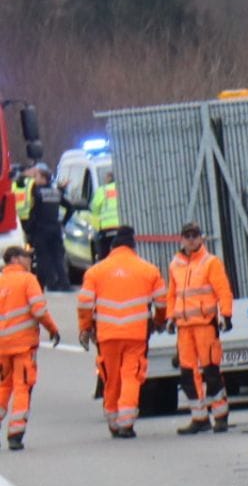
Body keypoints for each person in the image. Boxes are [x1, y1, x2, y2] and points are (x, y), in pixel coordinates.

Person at [76, 225, 166, 439]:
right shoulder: (148, 269)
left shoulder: (96, 271)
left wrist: (85, 328)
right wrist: (158, 322)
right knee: (131, 376)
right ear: (133, 247)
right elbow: (161, 302)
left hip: (107, 336)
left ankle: (113, 420)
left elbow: (85, 303)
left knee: (111, 377)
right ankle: (127, 422)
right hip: (135, 335)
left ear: (112, 247)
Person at [167, 222, 235, 434]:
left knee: (211, 372)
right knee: (188, 374)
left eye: (194, 235)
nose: (190, 239)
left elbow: (223, 290)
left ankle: (220, 416)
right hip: (184, 327)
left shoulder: (210, 262)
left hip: (205, 324)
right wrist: (170, 317)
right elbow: (172, 294)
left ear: (201, 238)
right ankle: (200, 417)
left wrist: (226, 315)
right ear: (181, 239)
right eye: (187, 236)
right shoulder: (175, 264)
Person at [0, 245, 61, 449]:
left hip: (1, 348)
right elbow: (39, 310)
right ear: (15, 259)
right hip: (23, 345)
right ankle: (15, 433)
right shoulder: (28, 280)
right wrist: (52, 329)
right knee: (22, 387)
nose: (29, 260)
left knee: (2, 387)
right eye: (26, 257)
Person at [24, 164, 70, 292]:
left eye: (37, 176)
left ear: (44, 178)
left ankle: (49, 284)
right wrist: (63, 222)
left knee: (43, 258)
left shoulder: (37, 193)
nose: (35, 179)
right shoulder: (56, 192)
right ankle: (64, 283)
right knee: (58, 256)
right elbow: (70, 207)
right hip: (55, 228)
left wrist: (28, 229)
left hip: (41, 229)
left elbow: (33, 213)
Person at [89, 168, 120, 261]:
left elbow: (94, 209)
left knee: (105, 256)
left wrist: (96, 228)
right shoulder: (121, 188)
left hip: (106, 229)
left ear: (107, 179)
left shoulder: (102, 190)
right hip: (121, 227)